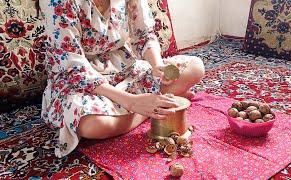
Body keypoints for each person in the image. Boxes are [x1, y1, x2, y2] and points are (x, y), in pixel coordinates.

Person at [38, 0, 205, 157]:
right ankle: (152, 108)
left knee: (195, 68)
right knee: (93, 125)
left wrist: (157, 67)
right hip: (80, 81)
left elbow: (145, 35)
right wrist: (132, 102)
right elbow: (73, 66)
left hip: (125, 69)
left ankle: (145, 106)